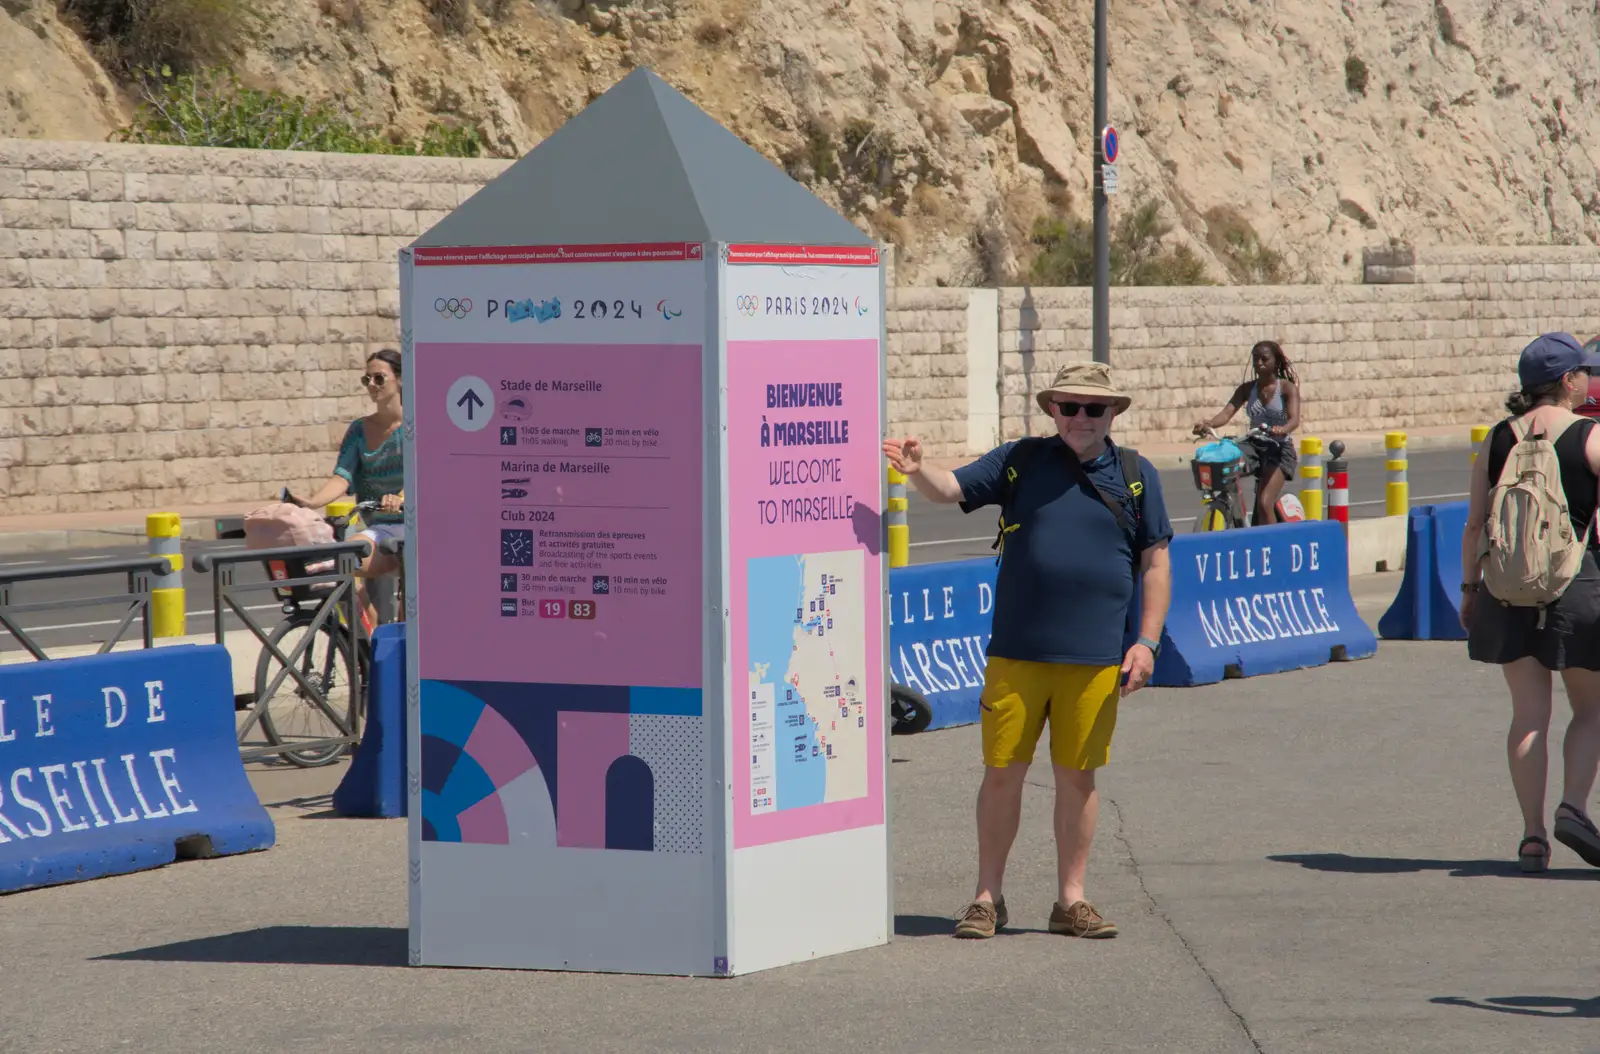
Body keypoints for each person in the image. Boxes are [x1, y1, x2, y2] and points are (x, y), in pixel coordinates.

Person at [883, 361, 1173, 939]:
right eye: (1069, 406)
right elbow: (952, 488)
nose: (1081, 418)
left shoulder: (1138, 475)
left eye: (1094, 408)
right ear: (1052, 411)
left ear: (1114, 412)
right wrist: (917, 470)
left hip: (1093, 661)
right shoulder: (1020, 459)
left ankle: (1071, 902)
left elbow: (1156, 563)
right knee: (1001, 776)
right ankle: (986, 899)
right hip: (1016, 655)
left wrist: (1146, 641)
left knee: (1078, 780)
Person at [1462, 332, 1600, 874]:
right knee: (1591, 709)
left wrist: (1471, 592)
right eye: (1584, 372)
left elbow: (1476, 523)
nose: (1590, 378)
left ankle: (1533, 836)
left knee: (1528, 716)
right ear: (1568, 382)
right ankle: (1573, 808)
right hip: (1576, 587)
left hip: (1506, 588)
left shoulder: (1498, 439)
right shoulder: (1589, 435)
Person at [293, 348, 406, 628]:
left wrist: (401, 497)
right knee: (341, 562)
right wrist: (310, 503)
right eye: (366, 379)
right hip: (380, 528)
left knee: (415, 596)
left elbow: (426, 475)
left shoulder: (418, 425)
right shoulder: (359, 429)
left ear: (400, 380)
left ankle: (404, 646)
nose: (371, 386)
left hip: (417, 525)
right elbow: (342, 477)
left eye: (379, 379)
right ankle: (378, 642)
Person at [1191, 340, 1301, 525]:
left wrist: (1282, 429)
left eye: (1264, 359)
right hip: (1254, 445)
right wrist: (1208, 424)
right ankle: (1233, 512)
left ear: (1276, 361)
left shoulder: (1287, 388)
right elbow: (1226, 413)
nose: (1259, 363)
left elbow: (1294, 420)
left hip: (1280, 450)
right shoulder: (1247, 389)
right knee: (1226, 459)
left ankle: (1273, 545)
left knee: (1265, 503)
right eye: (1255, 359)